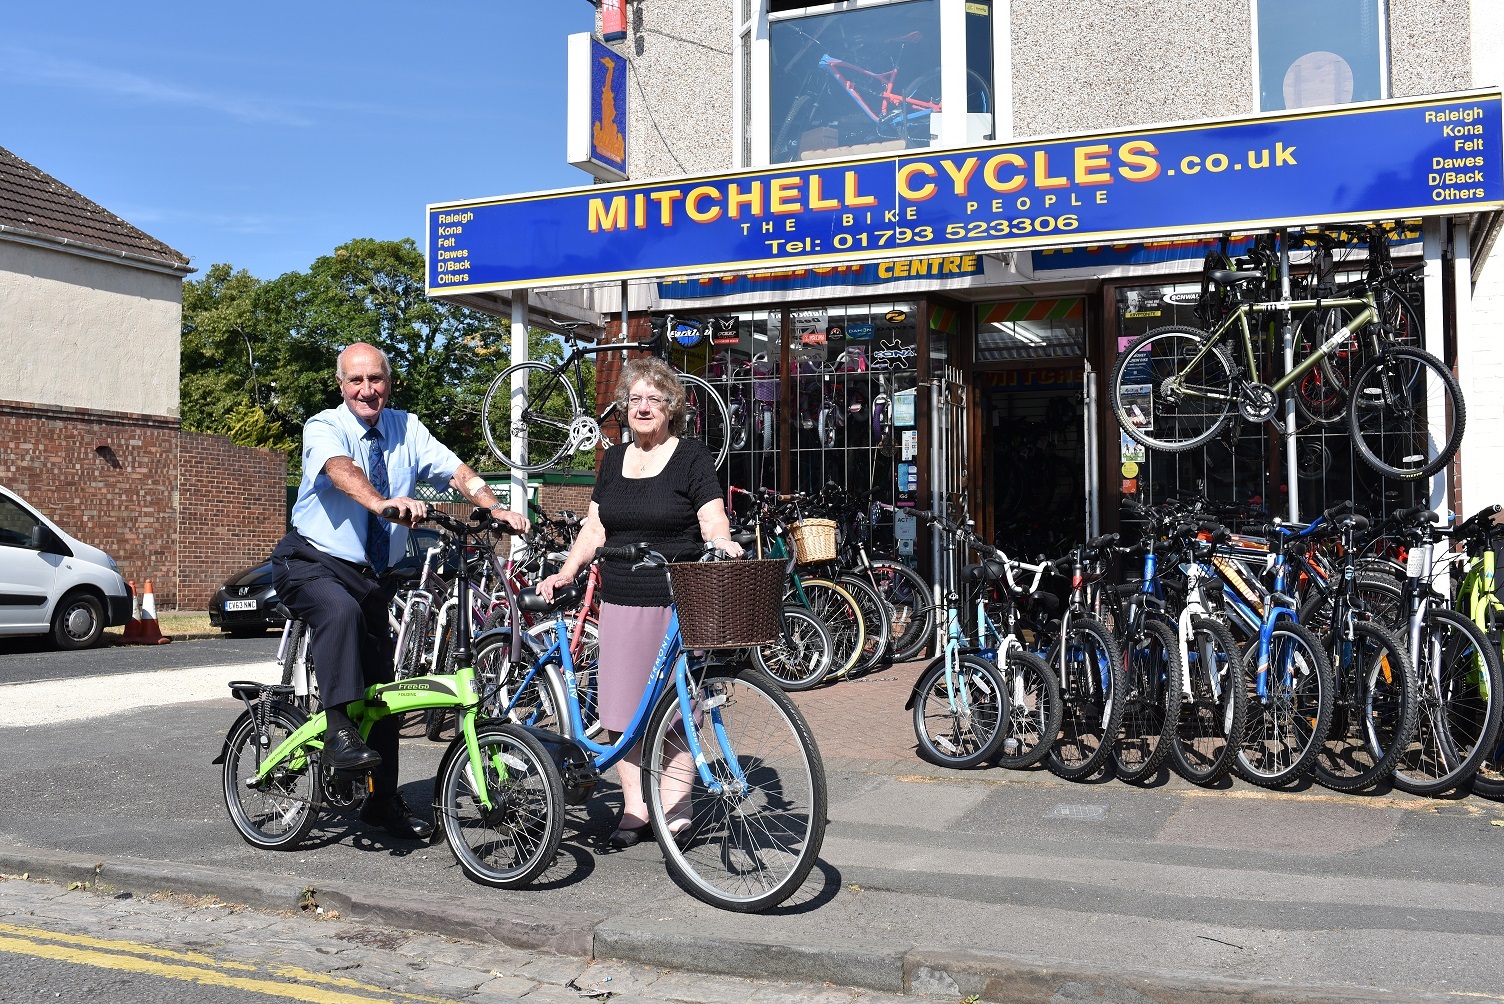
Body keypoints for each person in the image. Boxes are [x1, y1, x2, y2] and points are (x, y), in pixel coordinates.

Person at [270, 341, 528, 840]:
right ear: (341, 385)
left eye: (376, 380)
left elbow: (458, 472)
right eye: (356, 381)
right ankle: (338, 731)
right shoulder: (324, 426)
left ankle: (381, 802)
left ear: (389, 383)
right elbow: (340, 471)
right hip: (311, 562)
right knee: (338, 612)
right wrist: (382, 502)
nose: (367, 390)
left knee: (385, 692)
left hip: (372, 576)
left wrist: (492, 506)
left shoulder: (407, 427)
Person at [538, 356, 742, 848]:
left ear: (672, 407)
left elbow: (712, 518)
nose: (643, 407)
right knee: (623, 713)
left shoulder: (691, 455)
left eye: (654, 398)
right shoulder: (612, 460)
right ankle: (635, 810)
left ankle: (677, 810)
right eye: (635, 399)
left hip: (677, 600)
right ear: (624, 408)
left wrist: (722, 543)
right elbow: (596, 527)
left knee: (678, 713)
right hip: (624, 599)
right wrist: (567, 570)